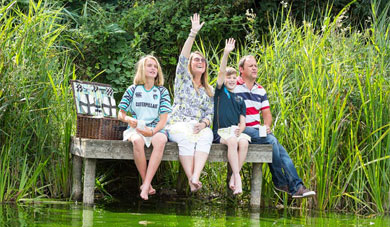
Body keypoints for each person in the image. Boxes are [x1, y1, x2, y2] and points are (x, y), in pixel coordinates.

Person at [235, 55, 316, 198]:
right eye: (251, 66)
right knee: (272, 141)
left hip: (255, 129)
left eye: (256, 66)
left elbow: (267, 113)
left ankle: (291, 185)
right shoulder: (234, 86)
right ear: (241, 69)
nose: (254, 68)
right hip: (239, 129)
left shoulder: (260, 90)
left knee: (276, 145)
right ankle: (288, 184)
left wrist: (266, 126)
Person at [167, 13, 214, 192]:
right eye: (197, 59)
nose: (200, 62)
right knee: (186, 138)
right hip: (178, 124)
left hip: (197, 126)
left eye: (203, 60)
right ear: (191, 64)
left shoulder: (208, 90)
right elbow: (183, 59)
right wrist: (192, 34)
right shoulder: (183, 79)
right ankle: (190, 178)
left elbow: (210, 113)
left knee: (207, 135)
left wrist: (203, 124)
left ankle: (196, 176)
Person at [118, 55, 172, 200]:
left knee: (161, 140)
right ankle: (146, 183)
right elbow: (120, 113)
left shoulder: (162, 92)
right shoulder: (133, 89)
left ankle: (146, 185)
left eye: (155, 66)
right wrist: (128, 118)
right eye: (149, 65)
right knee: (137, 141)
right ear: (142, 69)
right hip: (137, 128)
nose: (153, 68)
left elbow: (164, 119)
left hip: (155, 128)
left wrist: (152, 131)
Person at [212, 38, 250, 195]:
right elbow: (221, 72)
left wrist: (240, 130)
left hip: (234, 131)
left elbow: (243, 122)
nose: (231, 80)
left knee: (244, 142)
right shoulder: (220, 92)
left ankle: (235, 175)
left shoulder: (241, 99)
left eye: (234, 77)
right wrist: (226, 53)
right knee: (233, 141)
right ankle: (237, 177)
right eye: (229, 77)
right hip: (220, 133)